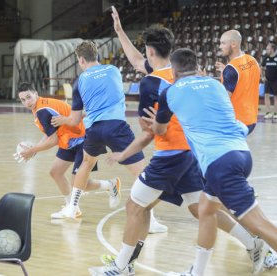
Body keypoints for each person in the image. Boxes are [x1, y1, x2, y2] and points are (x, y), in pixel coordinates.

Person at [88, 8, 276, 276]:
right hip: (198, 154)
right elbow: (138, 60)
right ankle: (253, 245)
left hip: (170, 156)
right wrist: (119, 32)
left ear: (150, 53)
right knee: (202, 209)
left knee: (135, 205)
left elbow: (151, 130)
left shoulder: (152, 84)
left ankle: (121, 266)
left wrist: (126, 150)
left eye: (145, 52)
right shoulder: (195, 78)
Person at [146, 48, 277, 276]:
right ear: (197, 67)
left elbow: (160, 129)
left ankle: (265, 251)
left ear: (174, 72)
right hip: (241, 153)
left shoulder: (170, 91)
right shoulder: (216, 84)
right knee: (206, 209)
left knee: (257, 224)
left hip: (220, 163)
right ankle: (197, 272)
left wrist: (153, 123)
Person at [51, 40, 167, 233]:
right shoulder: (113, 70)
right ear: (95, 55)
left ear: (80, 60)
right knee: (141, 173)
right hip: (116, 127)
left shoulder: (79, 82)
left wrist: (61, 120)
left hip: (94, 130)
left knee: (86, 165)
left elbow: (74, 120)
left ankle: (72, 208)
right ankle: (151, 221)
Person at [16, 82, 121, 218]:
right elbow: (50, 134)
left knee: (78, 183)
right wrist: (35, 150)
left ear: (36, 93)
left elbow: (53, 141)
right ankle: (72, 207)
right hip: (69, 140)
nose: (27, 102)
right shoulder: (40, 107)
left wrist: (33, 150)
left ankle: (110, 184)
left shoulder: (42, 110)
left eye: (29, 97)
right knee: (55, 172)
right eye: (23, 100)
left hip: (85, 138)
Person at [215, 30, 261, 134]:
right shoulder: (253, 60)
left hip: (236, 121)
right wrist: (225, 71)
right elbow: (244, 80)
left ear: (234, 44)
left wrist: (205, 82)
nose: (220, 46)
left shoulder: (231, 69)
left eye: (223, 43)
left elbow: (223, 99)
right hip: (251, 119)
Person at [261, 43, 277, 120]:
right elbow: (261, 67)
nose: (266, 50)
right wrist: (263, 76)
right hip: (267, 80)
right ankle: (268, 112)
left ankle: (275, 113)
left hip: (276, 81)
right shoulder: (265, 58)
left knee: (276, 97)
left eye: (268, 49)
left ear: (272, 49)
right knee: (266, 95)